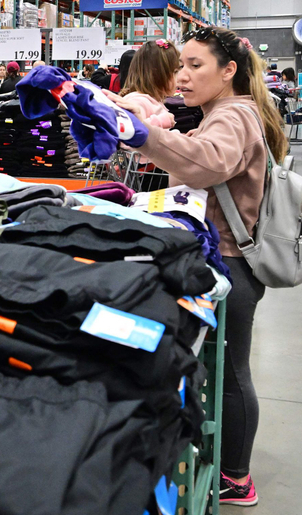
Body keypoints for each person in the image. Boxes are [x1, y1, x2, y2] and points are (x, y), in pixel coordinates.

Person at [106, 27, 288, 508]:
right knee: (224, 369)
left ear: (229, 71)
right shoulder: (225, 112)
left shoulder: (233, 116)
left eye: (195, 66)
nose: (182, 76)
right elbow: (197, 151)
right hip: (224, 259)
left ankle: (236, 477)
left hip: (230, 264)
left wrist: (143, 134)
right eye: (180, 66)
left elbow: (208, 163)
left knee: (231, 373)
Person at [117, 39, 179, 129]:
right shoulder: (138, 102)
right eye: (175, 72)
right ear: (158, 74)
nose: (180, 77)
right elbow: (129, 132)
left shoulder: (151, 101)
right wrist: (162, 121)